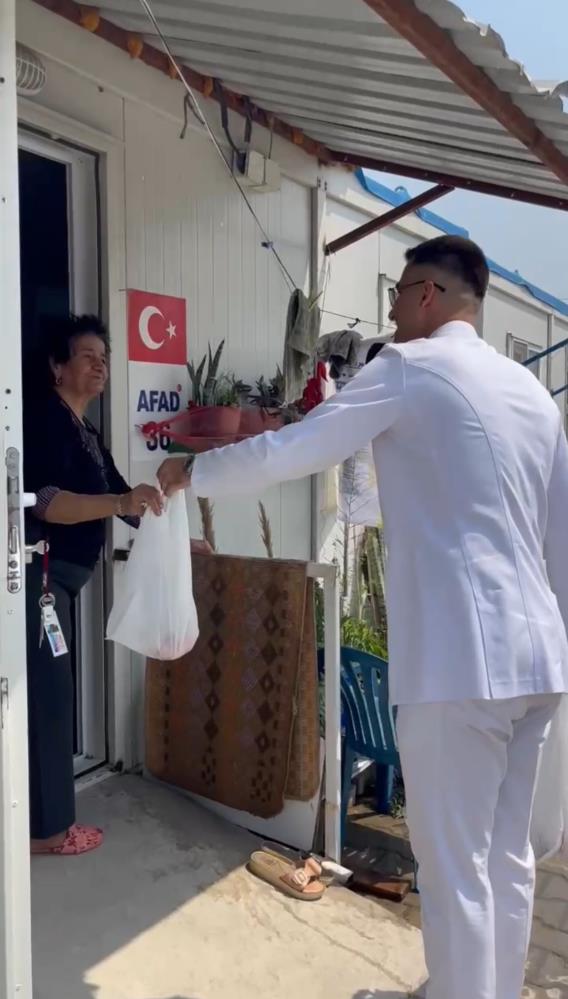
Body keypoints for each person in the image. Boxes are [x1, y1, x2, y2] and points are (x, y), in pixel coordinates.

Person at [158, 235, 568, 999]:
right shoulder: (533, 396)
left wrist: (194, 470)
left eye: (397, 293)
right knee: (506, 860)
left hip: (460, 663)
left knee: (454, 870)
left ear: (427, 294)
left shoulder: (409, 367)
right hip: (539, 660)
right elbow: (562, 539)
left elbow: (297, 449)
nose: (390, 309)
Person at [23, 314, 208, 857]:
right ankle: (47, 832)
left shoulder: (86, 432)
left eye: (104, 357)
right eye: (87, 356)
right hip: (39, 579)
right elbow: (45, 501)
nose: (100, 365)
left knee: (48, 695)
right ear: (58, 366)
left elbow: (128, 501)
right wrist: (122, 501)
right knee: (49, 699)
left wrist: (176, 537)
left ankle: (36, 823)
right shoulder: (44, 420)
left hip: (60, 584)